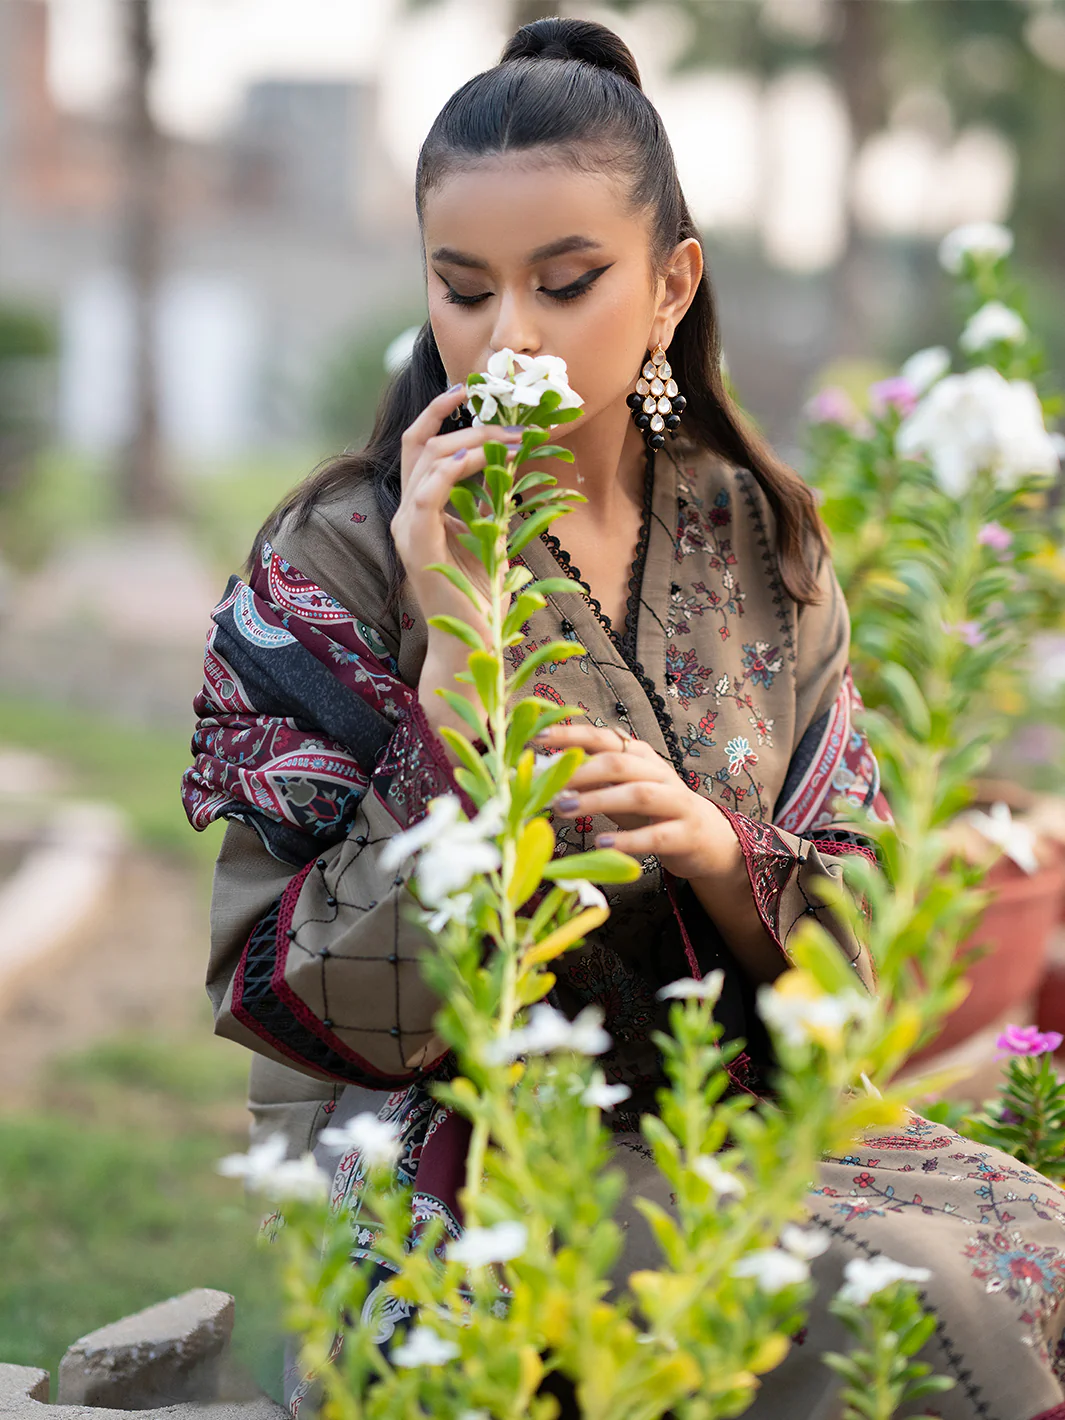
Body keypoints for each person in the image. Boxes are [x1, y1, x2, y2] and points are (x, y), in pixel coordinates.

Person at [182, 19, 1065, 1420]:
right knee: (921, 1302)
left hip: (727, 1111)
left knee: (1043, 1245)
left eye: (567, 282)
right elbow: (281, 994)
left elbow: (866, 925)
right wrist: (452, 675)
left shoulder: (762, 536)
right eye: (462, 288)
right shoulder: (343, 557)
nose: (508, 338)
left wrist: (721, 857)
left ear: (671, 286)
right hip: (451, 1172)